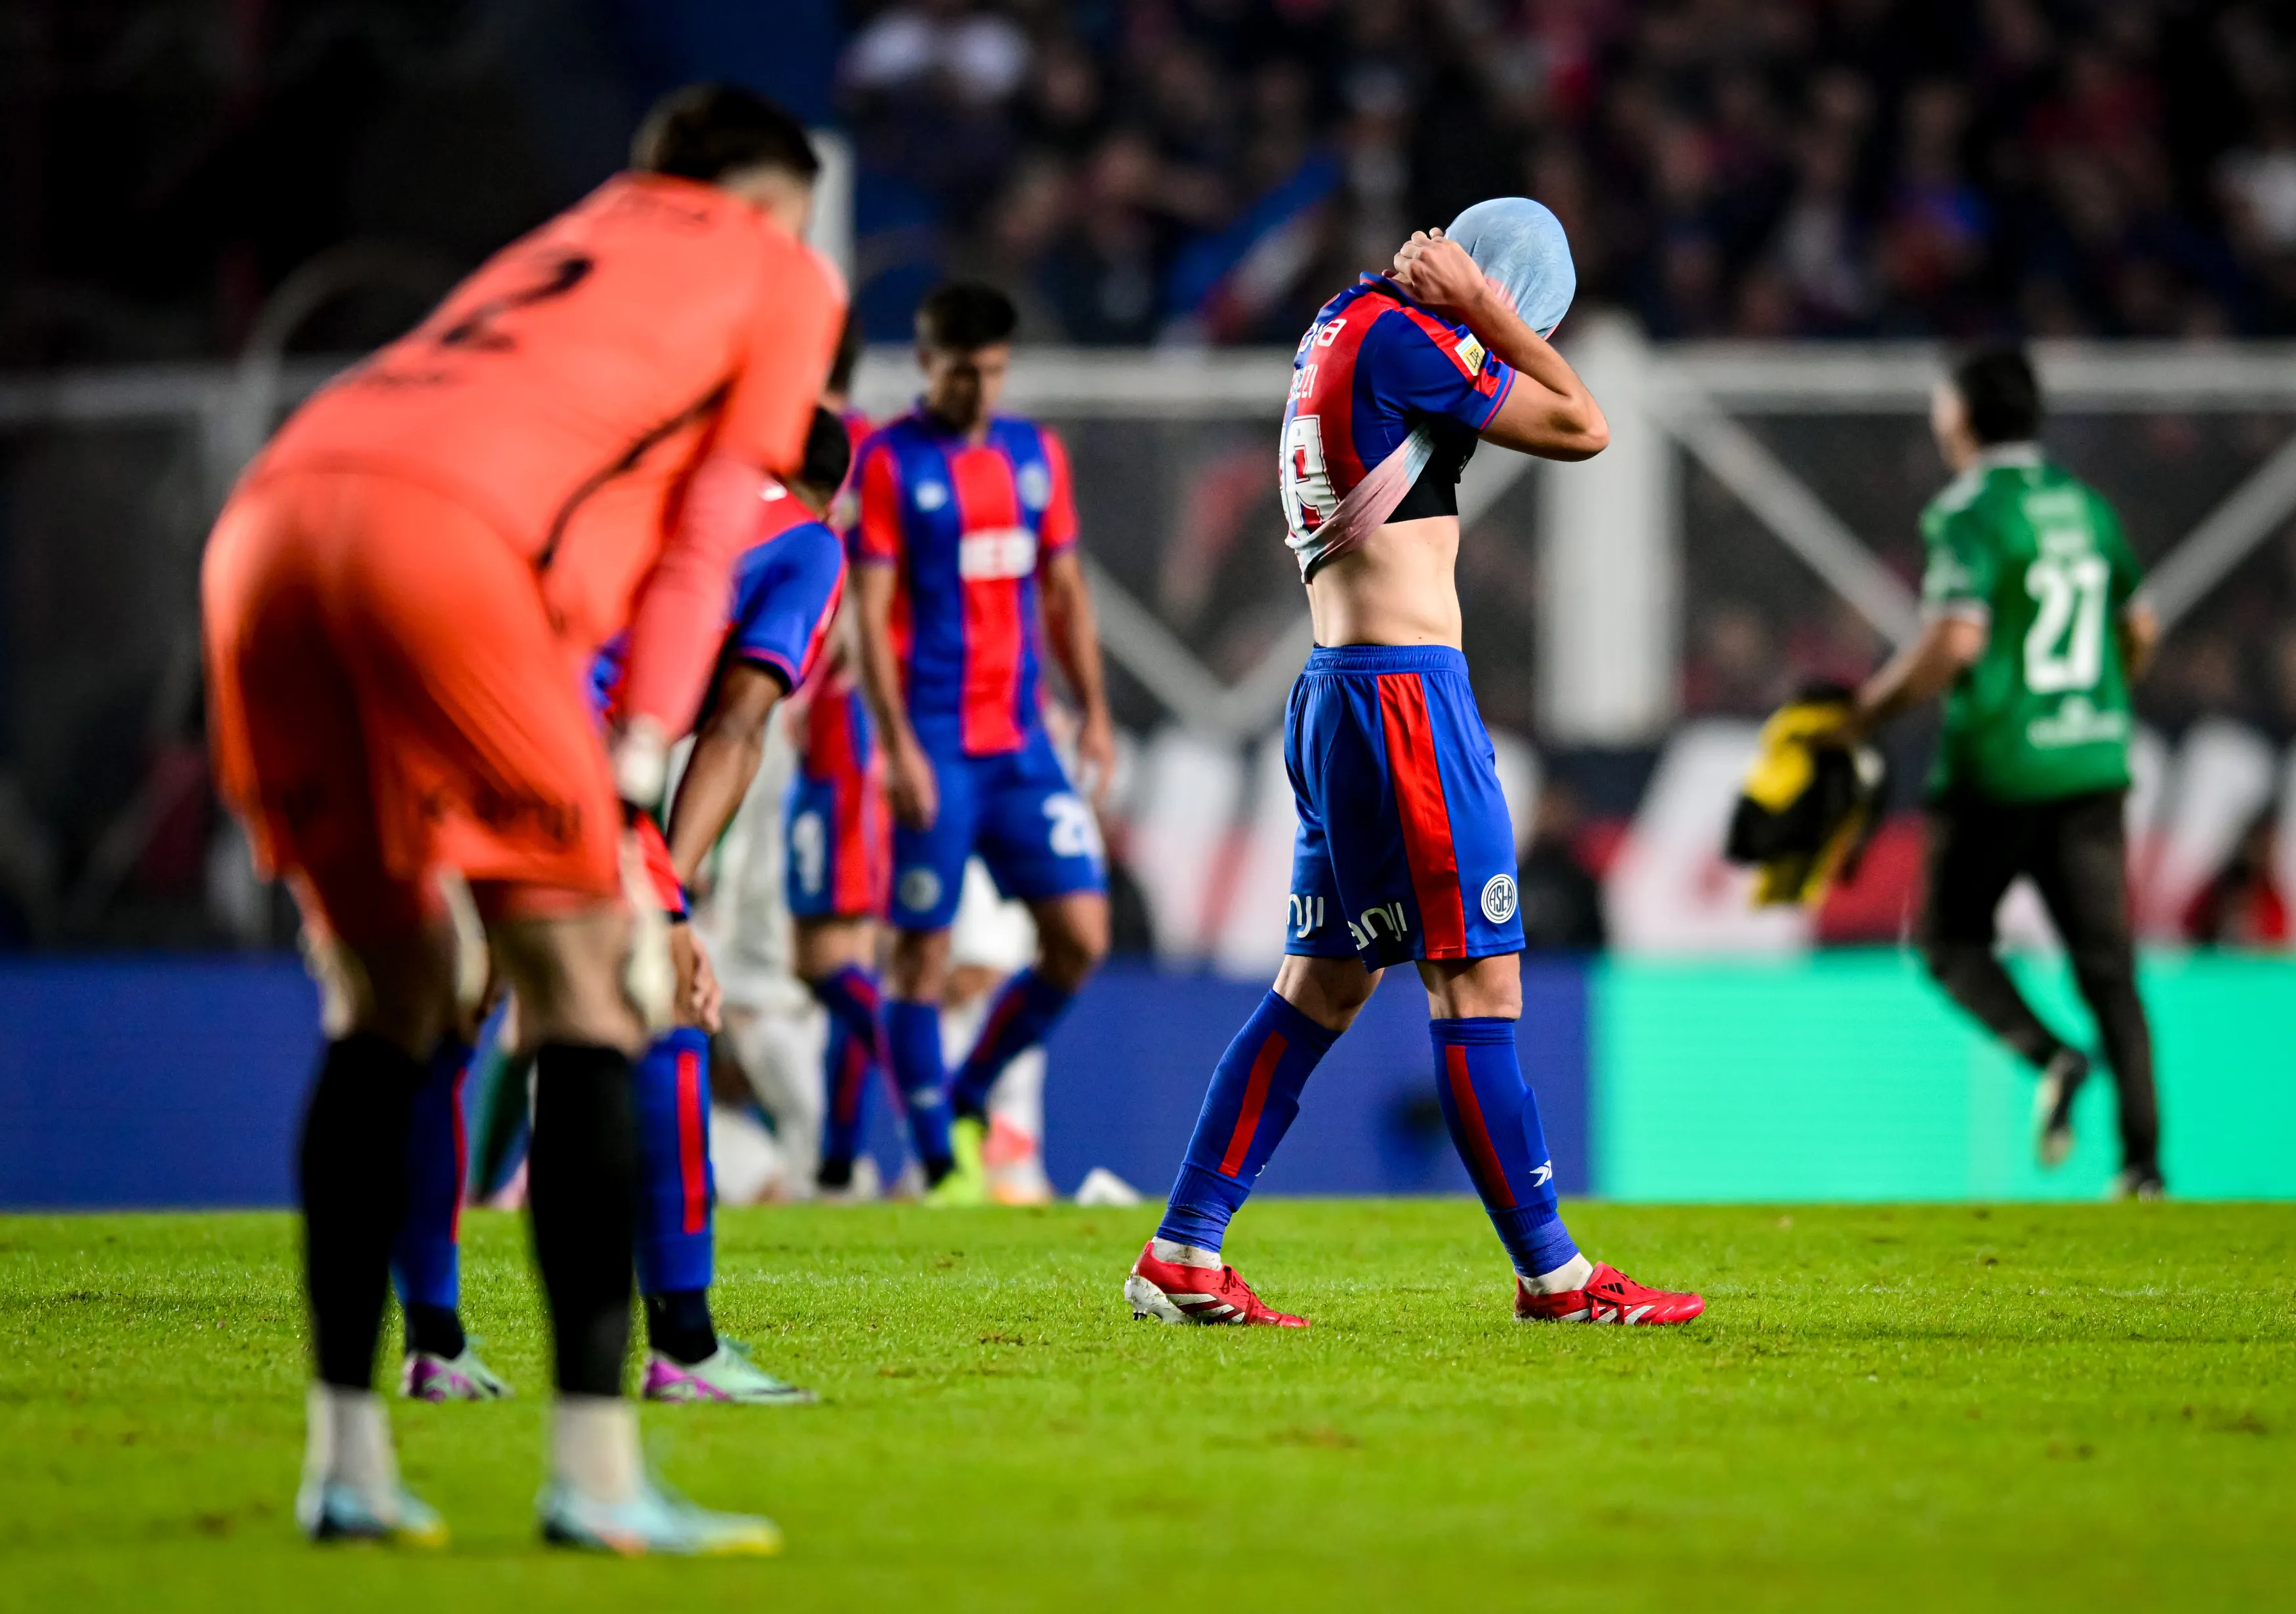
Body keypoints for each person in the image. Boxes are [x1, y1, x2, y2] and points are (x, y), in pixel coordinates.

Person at [201, 83, 842, 1551]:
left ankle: (347, 1466)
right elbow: (696, 548)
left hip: (277, 517)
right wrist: (628, 790)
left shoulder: (568, 241)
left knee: (389, 1006)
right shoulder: (775, 270)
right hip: (450, 549)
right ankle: (598, 1478)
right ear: (768, 203)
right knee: (587, 998)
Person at [1124, 202, 1706, 1328]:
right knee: (1478, 986)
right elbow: (1584, 425)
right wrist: (1488, 307)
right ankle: (1558, 1280)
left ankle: (1184, 1250)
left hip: (1340, 692)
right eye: (1521, 310)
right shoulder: (1406, 335)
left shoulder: (1345, 323)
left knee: (1323, 986)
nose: (1511, 335)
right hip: (1403, 703)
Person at [387, 407, 853, 1404]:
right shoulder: (808, 543)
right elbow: (734, 727)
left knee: (445, 1020)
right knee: (665, 1007)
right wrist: (670, 898)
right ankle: (685, 1349)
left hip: (442, 700)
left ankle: (432, 1342)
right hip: (563, 742)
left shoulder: (647, 492)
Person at [1840, 347, 2163, 1197]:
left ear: (1964, 414)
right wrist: (2098, 699)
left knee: (1948, 943)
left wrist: (1867, 711)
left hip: (1997, 771)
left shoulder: (1971, 510)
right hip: (2093, 763)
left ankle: (2052, 1055)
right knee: (2111, 973)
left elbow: (1955, 640)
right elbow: (2142, 627)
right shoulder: (2085, 506)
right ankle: (2145, 1168)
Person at [848, 282, 1117, 1205]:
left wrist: (1098, 714)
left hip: (1021, 741)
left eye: (994, 372)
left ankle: (966, 1095)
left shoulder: (1034, 456)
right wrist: (897, 748)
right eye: (964, 372)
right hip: (935, 741)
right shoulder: (888, 464)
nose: (980, 390)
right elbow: (868, 617)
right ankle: (934, 1159)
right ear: (927, 363)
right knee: (919, 955)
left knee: (1079, 938)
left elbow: (1067, 594)